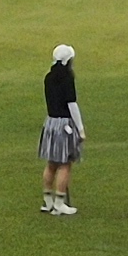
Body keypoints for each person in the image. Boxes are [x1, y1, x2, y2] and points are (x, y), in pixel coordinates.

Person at [40, 44, 85, 214]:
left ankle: (47, 201)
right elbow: (71, 104)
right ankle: (59, 203)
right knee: (65, 163)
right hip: (64, 124)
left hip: (50, 122)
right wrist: (80, 128)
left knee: (52, 163)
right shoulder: (67, 78)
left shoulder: (48, 77)